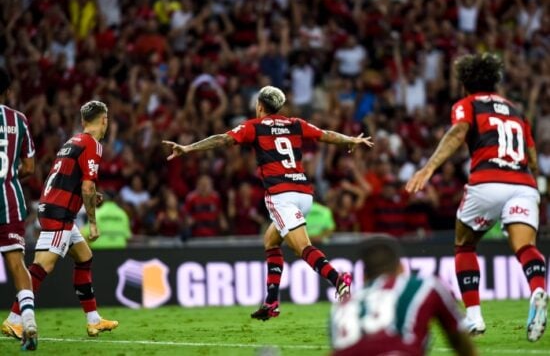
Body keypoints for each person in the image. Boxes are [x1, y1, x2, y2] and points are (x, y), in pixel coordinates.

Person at [163, 85, 374, 320]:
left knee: (302, 247)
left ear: (260, 106)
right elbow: (326, 134)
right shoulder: (295, 123)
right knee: (271, 241)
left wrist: (188, 148)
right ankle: (271, 301)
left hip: (281, 195)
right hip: (304, 194)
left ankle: (338, 279)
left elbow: (223, 139)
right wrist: (350, 140)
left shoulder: (254, 126)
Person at [406, 53, 548, 341]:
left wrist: (429, 167)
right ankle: (537, 289)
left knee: (464, 243)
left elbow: (458, 132)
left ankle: (474, 317)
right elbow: (533, 158)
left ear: (464, 84)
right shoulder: (516, 110)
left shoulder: (468, 104)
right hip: (523, 184)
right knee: (525, 246)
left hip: (488, 182)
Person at [2, 101, 119, 338]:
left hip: (54, 206)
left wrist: (87, 194)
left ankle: (93, 320)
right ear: (104, 120)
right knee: (42, 266)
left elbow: (64, 179)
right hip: (60, 213)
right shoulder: (92, 145)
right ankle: (14, 319)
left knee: (84, 257)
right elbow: (87, 186)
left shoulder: (71, 142)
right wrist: (93, 224)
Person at [329, 235, 478, 356]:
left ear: (364, 277)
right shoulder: (426, 286)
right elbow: (461, 343)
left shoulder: (340, 307)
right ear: (401, 267)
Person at [0, 69, 38, 351]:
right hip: (10, 201)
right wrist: (9, 175)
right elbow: (29, 167)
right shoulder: (19, 120)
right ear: (8, 90)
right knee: (17, 264)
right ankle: (27, 320)